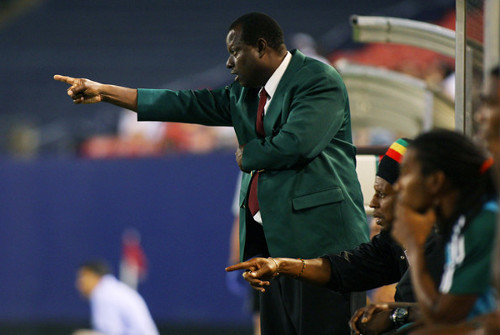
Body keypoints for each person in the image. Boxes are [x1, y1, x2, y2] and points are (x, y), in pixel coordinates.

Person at [54, 12, 369, 335]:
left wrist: (248, 155)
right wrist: (105, 92)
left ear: (261, 47)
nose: (230, 64)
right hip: (274, 255)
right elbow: (183, 104)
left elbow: (297, 144)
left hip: (325, 249)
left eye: (235, 53)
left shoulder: (318, 79)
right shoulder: (244, 93)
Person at [226, 138, 445, 334]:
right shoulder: (394, 244)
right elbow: (344, 268)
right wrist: (280, 265)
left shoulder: (450, 244)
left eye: (382, 194)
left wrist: (395, 316)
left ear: (415, 195)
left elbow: (462, 312)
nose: (373, 203)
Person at [389, 129, 498, 333]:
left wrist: (414, 245)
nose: (397, 186)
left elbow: (443, 316)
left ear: (436, 181)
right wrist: (392, 315)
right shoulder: (463, 221)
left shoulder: (483, 223)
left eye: (405, 173)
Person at [75, 259, 159, 335]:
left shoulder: (103, 294)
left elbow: (111, 333)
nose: (79, 284)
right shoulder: (110, 290)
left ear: (92, 276)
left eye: (82, 277)